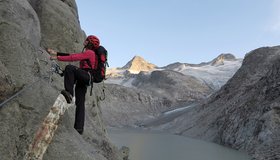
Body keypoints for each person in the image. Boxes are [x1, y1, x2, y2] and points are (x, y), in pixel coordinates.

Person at [47, 35, 100, 135]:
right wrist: (57, 53)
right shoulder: (90, 53)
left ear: (90, 43)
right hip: (85, 79)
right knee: (80, 103)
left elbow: (73, 57)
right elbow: (72, 55)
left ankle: (69, 93)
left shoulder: (90, 52)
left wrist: (57, 57)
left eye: (86, 41)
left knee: (70, 68)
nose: (84, 42)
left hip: (86, 76)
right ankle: (79, 128)